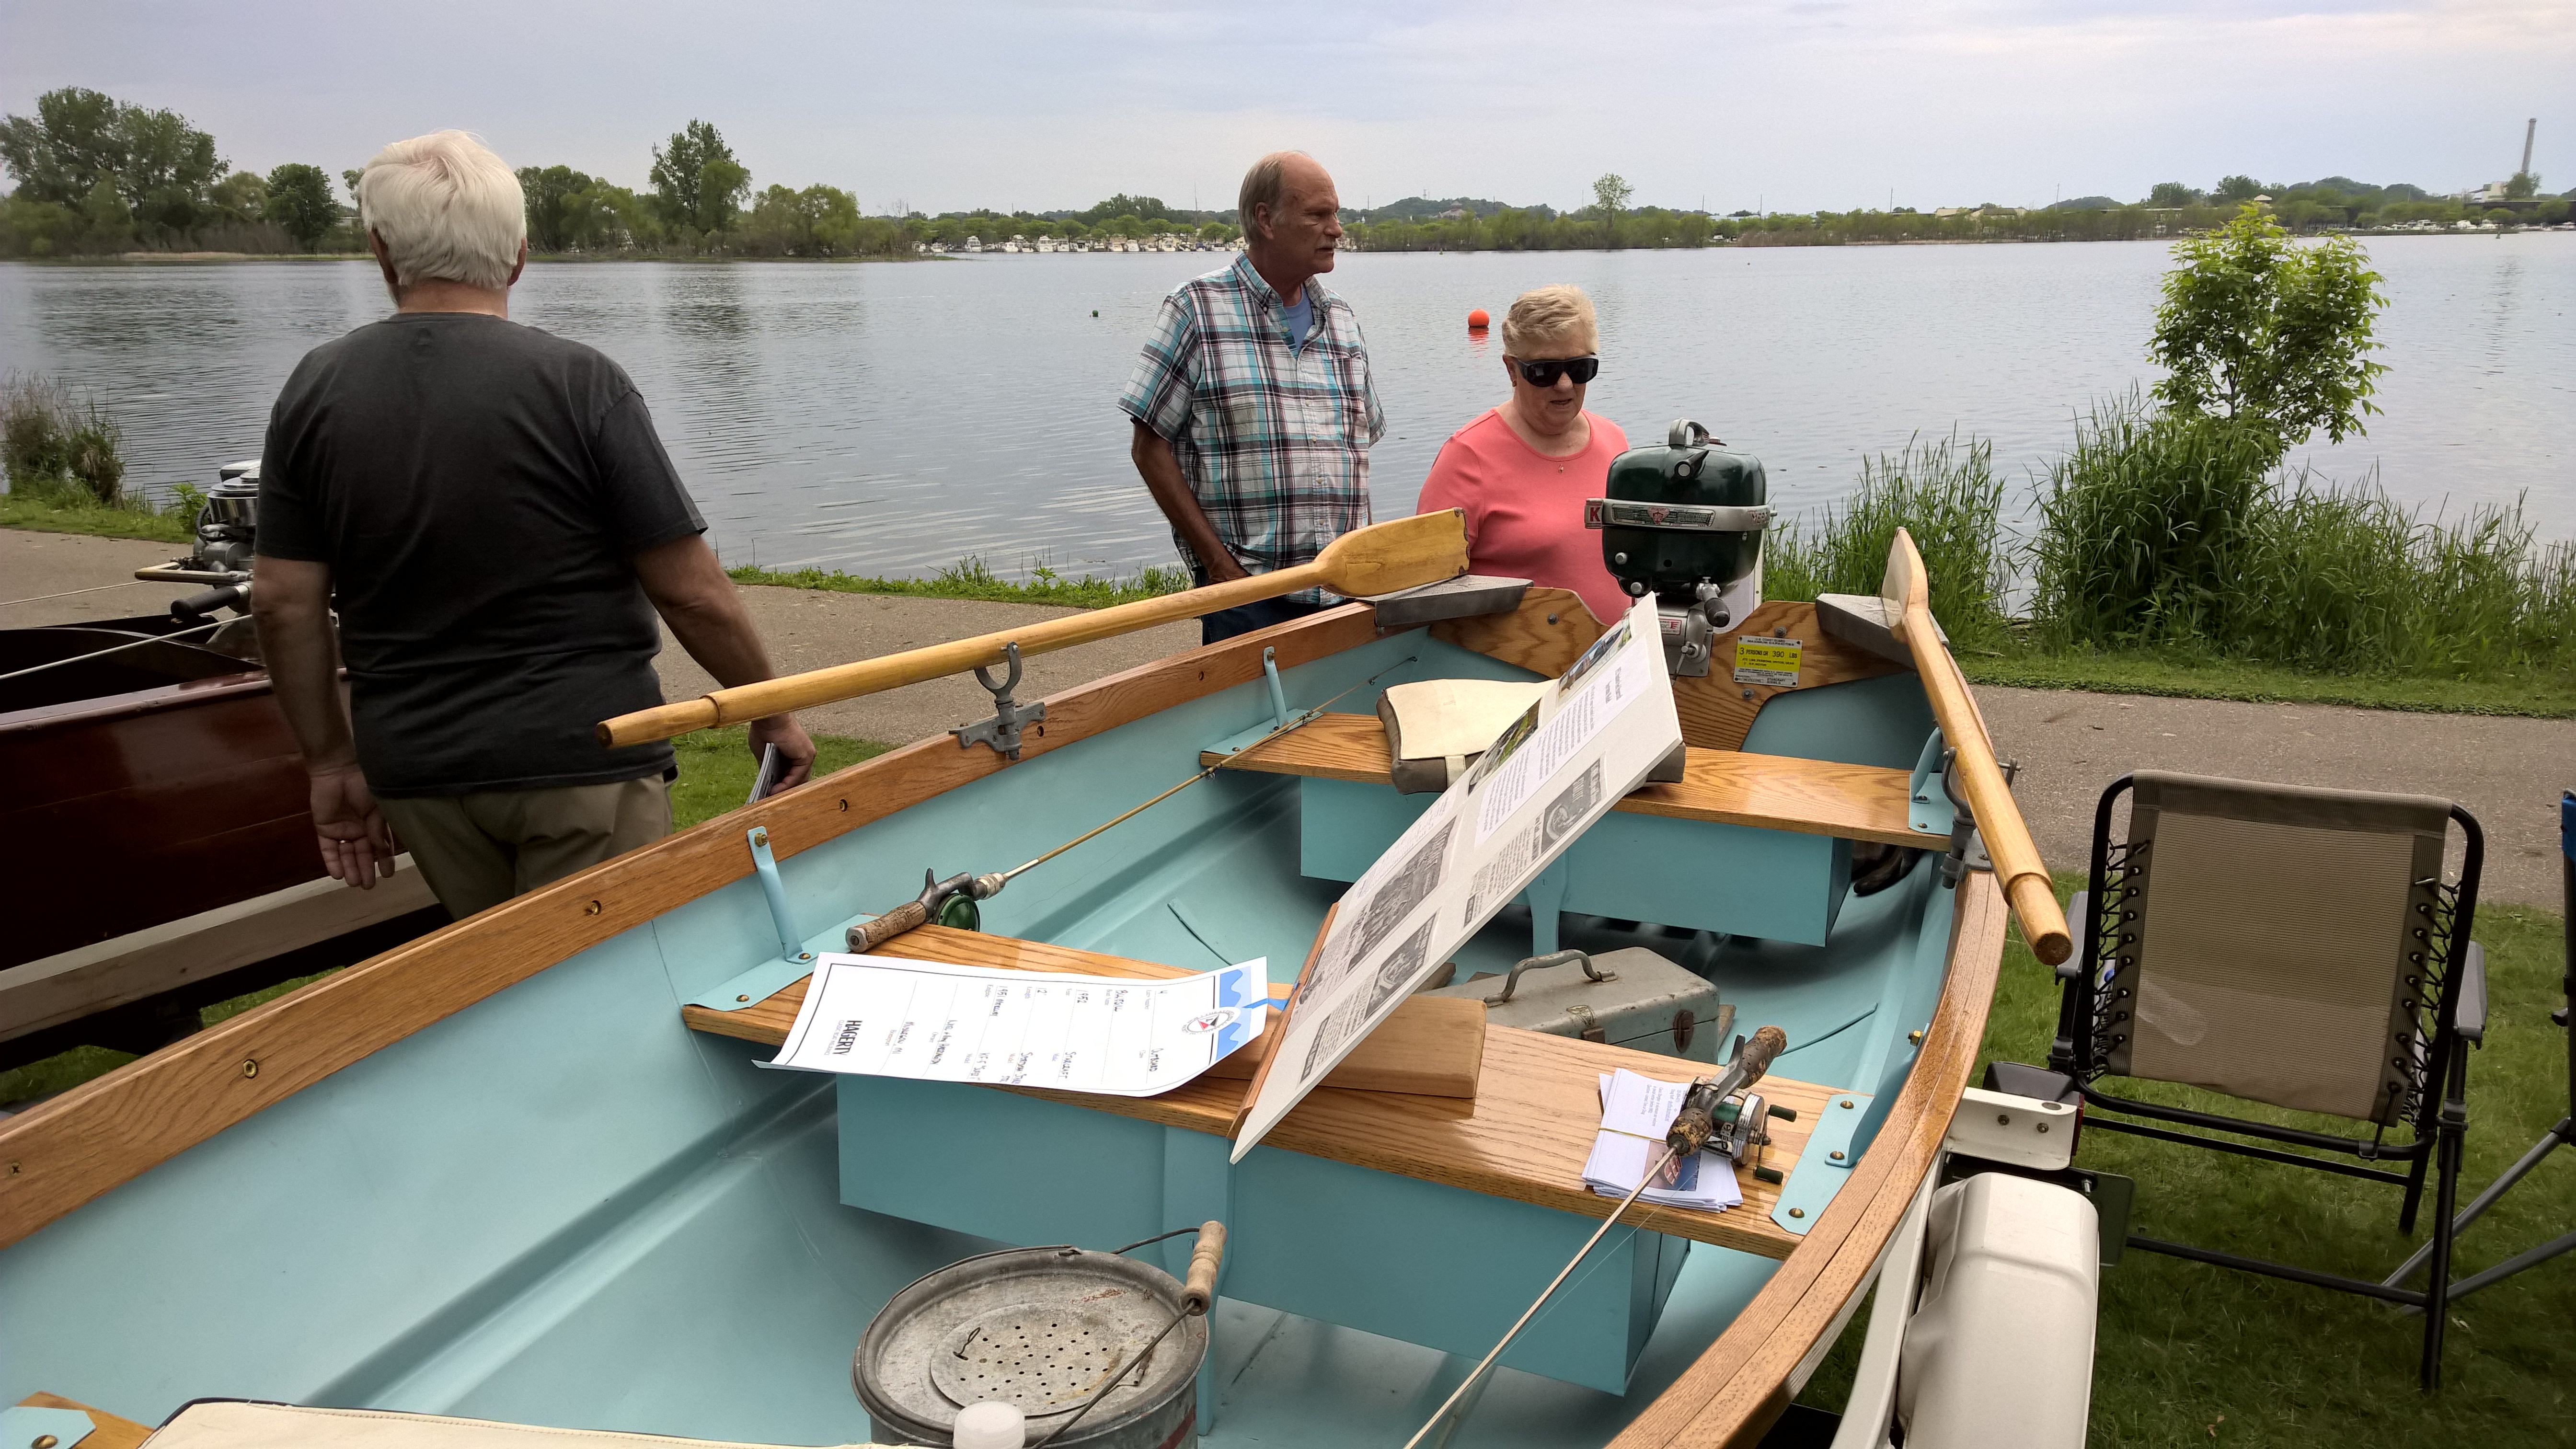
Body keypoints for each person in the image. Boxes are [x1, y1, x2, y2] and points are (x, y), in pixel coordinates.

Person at [251, 130, 815, 921]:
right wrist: (772, 710)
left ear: (381, 251)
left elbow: (281, 601)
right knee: (608, 971)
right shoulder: (580, 384)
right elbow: (691, 592)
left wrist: (329, 762)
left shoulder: (315, 389)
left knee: (505, 977)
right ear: (518, 255)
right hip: (585, 753)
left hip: (417, 770)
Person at [1121, 151, 1384, 644]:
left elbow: (1358, 447)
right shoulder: (1196, 309)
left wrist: (1367, 568)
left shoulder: (1342, 320)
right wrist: (1220, 567)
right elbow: (1149, 446)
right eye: (1318, 215)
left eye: (1335, 214)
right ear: (1266, 219)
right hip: (1247, 599)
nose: (1336, 229)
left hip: (1344, 594)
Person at [1414, 285, 1629, 625]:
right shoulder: (1467, 457)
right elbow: (1423, 592)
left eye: (1580, 368)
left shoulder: (1615, 441)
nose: (1564, 385)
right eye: (1544, 371)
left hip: (1618, 652)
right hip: (1509, 657)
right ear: (1512, 370)